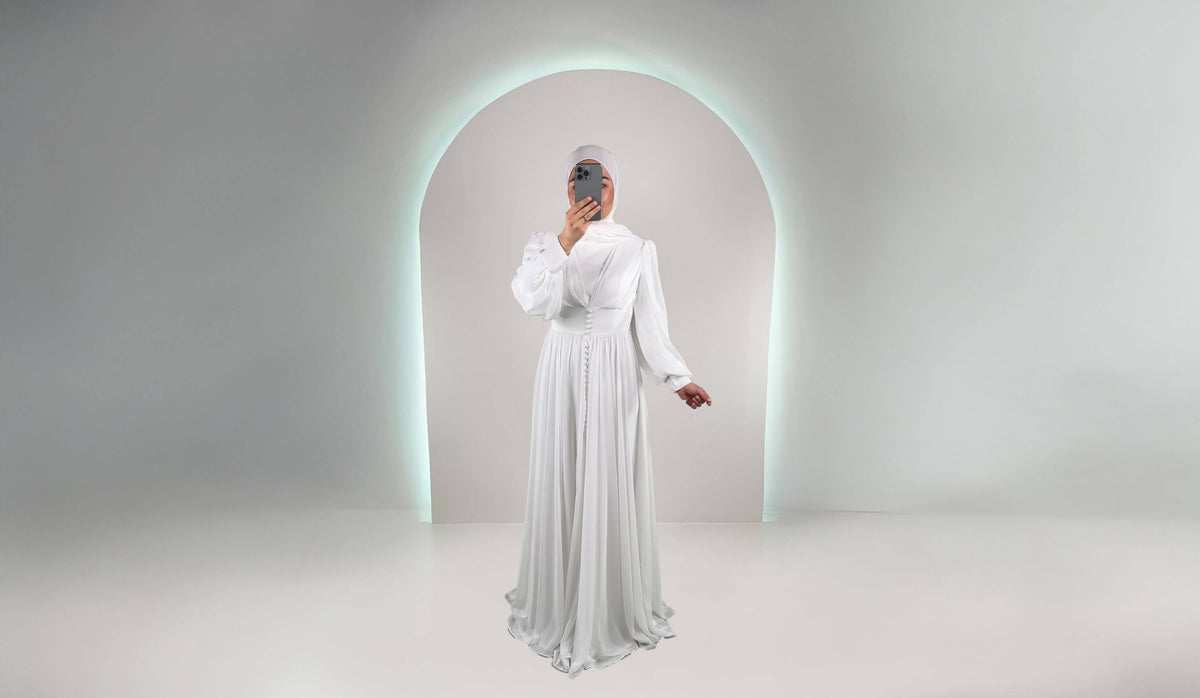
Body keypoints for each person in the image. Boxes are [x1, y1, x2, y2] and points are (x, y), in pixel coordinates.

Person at [505, 144, 712, 678]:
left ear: (615, 186)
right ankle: (559, 605)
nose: (590, 189)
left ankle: (608, 608)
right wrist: (565, 242)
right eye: (579, 179)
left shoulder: (638, 249)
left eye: (601, 180)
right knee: (563, 474)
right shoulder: (544, 245)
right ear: (567, 188)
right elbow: (532, 301)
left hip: (617, 374)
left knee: (609, 478)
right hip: (560, 369)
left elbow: (650, 324)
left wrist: (678, 379)